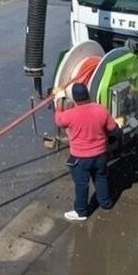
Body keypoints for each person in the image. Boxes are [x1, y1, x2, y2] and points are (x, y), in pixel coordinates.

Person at [54, 82, 118, 222]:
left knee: (82, 185)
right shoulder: (101, 110)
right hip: (100, 155)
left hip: (80, 158)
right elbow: (112, 127)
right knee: (101, 179)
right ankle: (106, 203)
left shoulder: (70, 115)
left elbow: (58, 121)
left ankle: (81, 212)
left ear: (75, 99)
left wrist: (58, 103)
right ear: (88, 94)